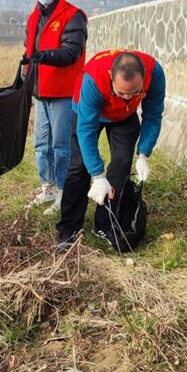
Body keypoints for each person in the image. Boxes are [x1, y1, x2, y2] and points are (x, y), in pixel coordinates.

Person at [56, 49, 166, 250]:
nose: (127, 97)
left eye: (134, 92)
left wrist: (143, 154)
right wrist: (97, 175)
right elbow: (86, 130)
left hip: (124, 117)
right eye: (121, 92)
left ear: (143, 78)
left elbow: (153, 115)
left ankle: (105, 224)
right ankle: (69, 229)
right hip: (88, 112)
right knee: (79, 167)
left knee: (121, 164)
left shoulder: (155, 73)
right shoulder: (93, 79)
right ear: (110, 77)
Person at [22, 0, 88, 215]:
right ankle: (47, 187)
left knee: (61, 146)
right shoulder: (34, 18)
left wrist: (44, 56)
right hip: (40, 91)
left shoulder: (73, 16)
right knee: (41, 144)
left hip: (63, 92)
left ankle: (63, 191)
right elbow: (28, 49)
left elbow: (71, 52)